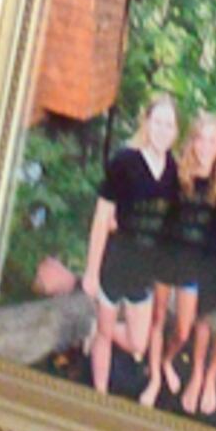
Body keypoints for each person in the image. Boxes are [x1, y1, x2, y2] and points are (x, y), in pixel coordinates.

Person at [79, 87, 178, 398]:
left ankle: (98, 331)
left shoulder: (174, 172)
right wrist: (91, 271)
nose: (162, 130)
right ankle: (100, 392)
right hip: (115, 262)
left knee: (138, 343)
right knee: (106, 333)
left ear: (176, 131)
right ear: (146, 122)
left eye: (169, 125)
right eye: (157, 122)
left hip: (143, 270)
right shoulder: (124, 161)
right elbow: (101, 218)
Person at [159, 105, 216, 418]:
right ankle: (158, 369)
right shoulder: (177, 175)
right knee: (156, 321)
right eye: (200, 139)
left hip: (192, 269)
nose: (205, 147)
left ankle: (168, 356)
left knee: (183, 330)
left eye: (212, 141)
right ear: (192, 141)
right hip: (166, 261)